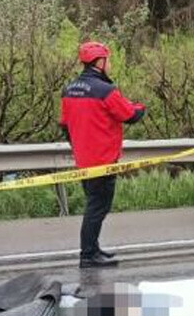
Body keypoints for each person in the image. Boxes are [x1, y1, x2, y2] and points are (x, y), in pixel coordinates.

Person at [59, 42, 145, 268]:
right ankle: (88, 255)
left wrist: (79, 146)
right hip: (103, 160)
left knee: (94, 205)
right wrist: (140, 107)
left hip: (83, 159)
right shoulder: (105, 90)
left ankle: (93, 249)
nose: (111, 64)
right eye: (109, 59)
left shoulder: (69, 89)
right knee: (98, 208)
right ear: (100, 62)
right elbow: (129, 115)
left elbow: (65, 125)